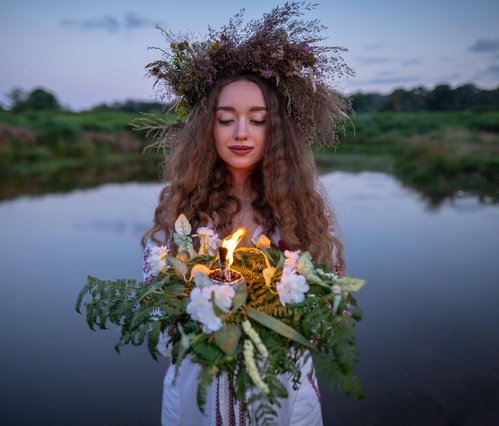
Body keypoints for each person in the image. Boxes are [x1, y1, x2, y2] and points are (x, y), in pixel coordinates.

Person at [140, 3, 353, 424]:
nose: (241, 133)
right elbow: (153, 306)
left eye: (257, 120)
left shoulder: (307, 210)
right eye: (226, 119)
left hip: (283, 399)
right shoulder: (182, 206)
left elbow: (333, 310)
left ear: (275, 130)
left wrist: (277, 321)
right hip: (197, 397)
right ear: (208, 128)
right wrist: (193, 319)